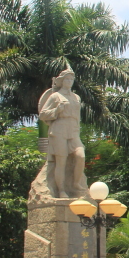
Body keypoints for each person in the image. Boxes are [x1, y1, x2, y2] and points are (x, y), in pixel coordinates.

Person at [38, 67, 87, 198]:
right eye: (67, 79)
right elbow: (43, 114)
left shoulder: (76, 97)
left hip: (73, 130)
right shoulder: (55, 96)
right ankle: (61, 190)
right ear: (62, 81)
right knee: (61, 161)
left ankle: (76, 183)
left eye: (72, 79)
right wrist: (56, 110)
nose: (70, 81)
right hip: (59, 129)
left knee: (80, 156)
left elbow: (78, 116)